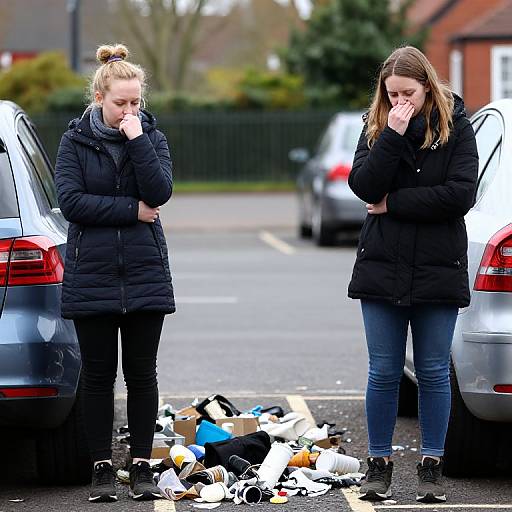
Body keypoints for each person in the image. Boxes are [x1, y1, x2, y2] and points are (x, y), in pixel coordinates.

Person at [347, 46, 478, 503]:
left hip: (439, 268)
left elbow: (460, 195)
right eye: (392, 94)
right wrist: (394, 136)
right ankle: (378, 466)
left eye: (408, 93)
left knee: (434, 370)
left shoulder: (458, 128)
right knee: (383, 371)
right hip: (383, 266)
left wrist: (394, 205)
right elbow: (364, 186)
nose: (399, 101)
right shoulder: (380, 127)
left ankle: (431, 466)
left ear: (428, 86)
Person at [55, 44, 175, 502]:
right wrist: (132, 211)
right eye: (121, 103)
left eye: (136, 103)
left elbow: (159, 191)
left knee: (142, 374)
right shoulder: (74, 141)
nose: (129, 110)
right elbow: (73, 203)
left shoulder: (152, 137)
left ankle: (141, 464)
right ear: (100, 98)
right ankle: (102, 465)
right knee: (99, 375)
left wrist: (137, 139)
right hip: (93, 274)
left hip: (144, 272)